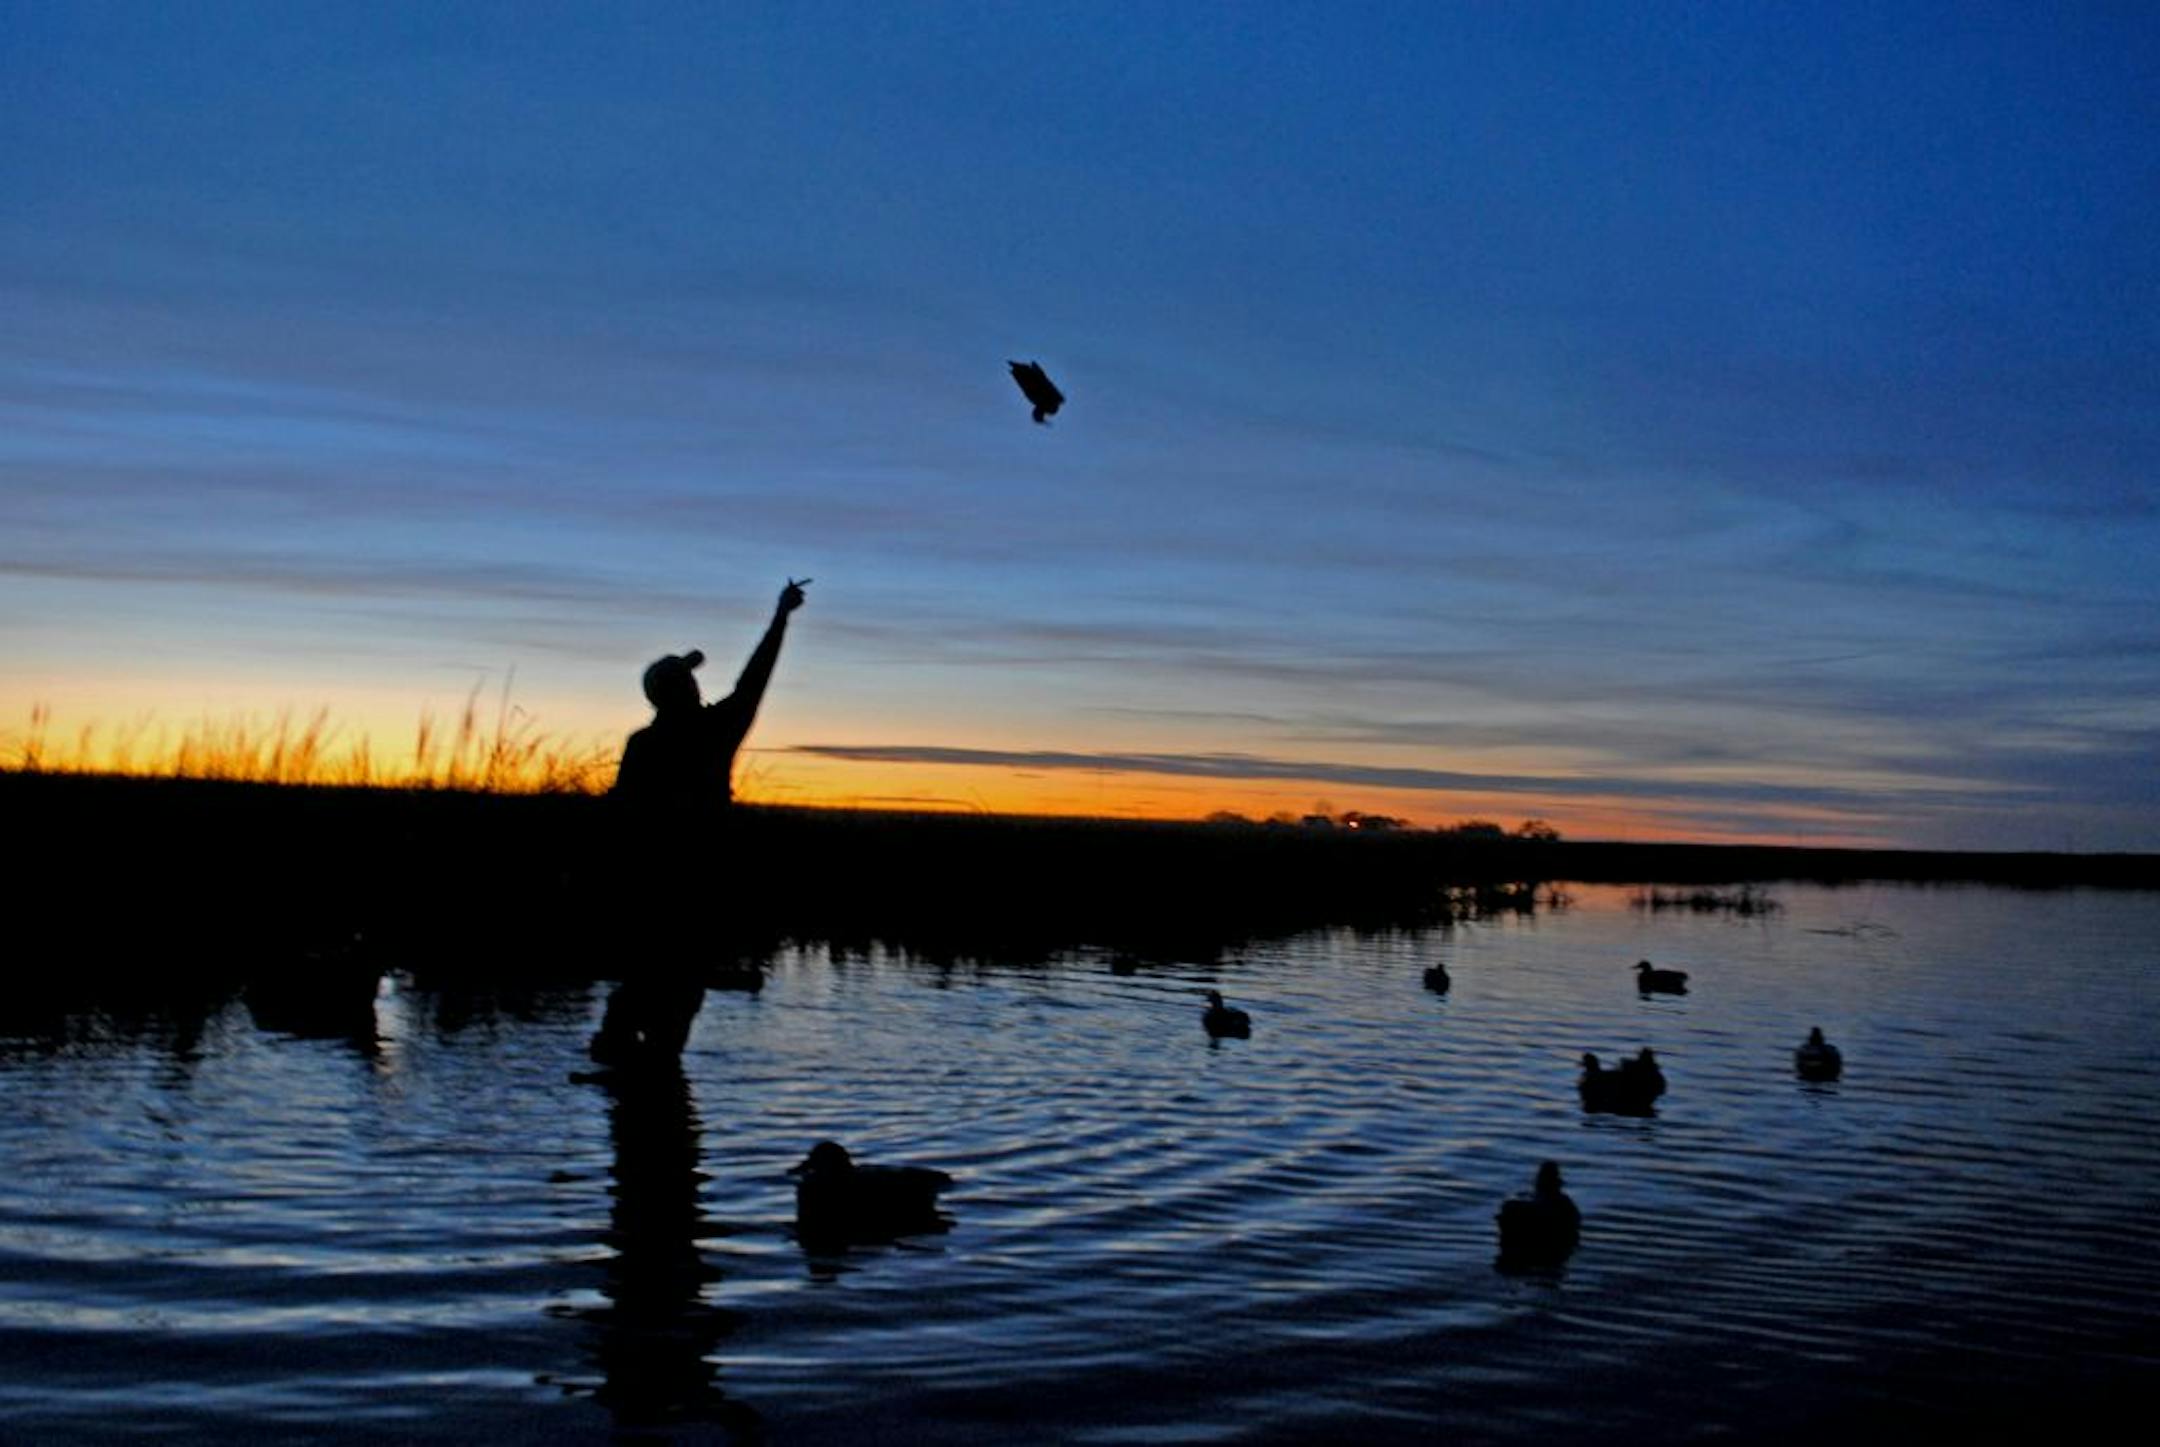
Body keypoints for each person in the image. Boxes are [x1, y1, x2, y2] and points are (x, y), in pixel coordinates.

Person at [612, 578, 809, 809]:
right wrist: (781, 614)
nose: (695, 683)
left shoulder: (641, 743)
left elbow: (622, 807)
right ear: (688, 688)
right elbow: (755, 677)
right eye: (689, 678)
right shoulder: (716, 728)